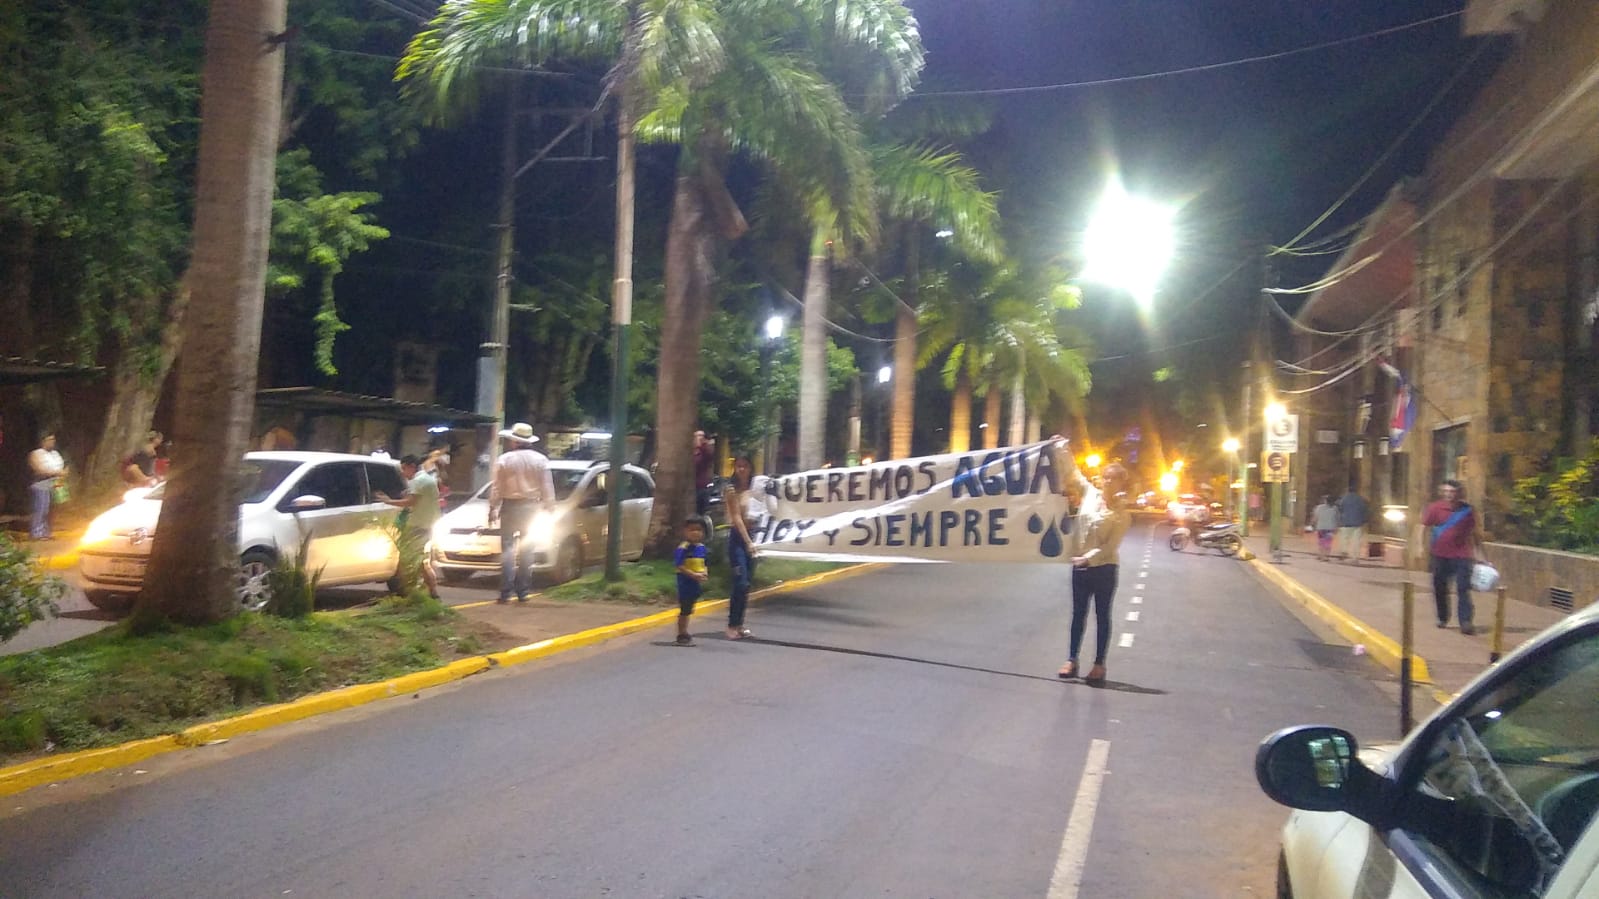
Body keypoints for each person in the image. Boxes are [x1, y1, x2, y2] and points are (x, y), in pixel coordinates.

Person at [1053, 442, 1132, 686]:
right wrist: (1062, 449)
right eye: (1104, 477)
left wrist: (1088, 558)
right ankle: (1071, 659)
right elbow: (1073, 474)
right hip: (1081, 567)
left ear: (1120, 483)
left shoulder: (1121, 514)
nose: (1106, 481)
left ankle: (1099, 664)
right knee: (1078, 614)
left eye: (1112, 479)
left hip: (1104, 569)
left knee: (1102, 615)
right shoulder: (1090, 494)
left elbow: (1110, 547)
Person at [488, 422, 555, 603]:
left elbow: (497, 488)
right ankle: (523, 591)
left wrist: (493, 507)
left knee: (508, 549)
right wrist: (550, 508)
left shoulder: (504, 460)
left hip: (509, 506)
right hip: (531, 507)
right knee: (527, 549)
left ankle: (505, 592)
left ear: (515, 441)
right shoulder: (541, 460)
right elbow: (547, 487)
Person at [375, 454, 442, 599]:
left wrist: (388, 501)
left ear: (411, 466)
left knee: (407, 563)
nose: (403, 474)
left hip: (415, 526)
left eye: (404, 469)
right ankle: (432, 592)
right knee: (423, 562)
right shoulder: (429, 480)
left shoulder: (418, 481)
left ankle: (409, 594)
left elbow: (411, 502)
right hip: (427, 525)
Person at [1422, 480, 1484, 635]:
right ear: (1442, 492)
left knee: (1463, 588)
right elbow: (1423, 527)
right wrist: (1419, 546)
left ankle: (1466, 621)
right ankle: (1443, 617)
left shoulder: (1468, 511)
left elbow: (1474, 534)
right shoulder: (1435, 508)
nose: (1449, 495)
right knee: (1440, 587)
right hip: (1440, 555)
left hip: (1462, 555)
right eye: (1446, 492)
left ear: (1458, 493)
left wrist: (1480, 554)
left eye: (1452, 492)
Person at [723, 455, 763, 640]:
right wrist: (748, 542)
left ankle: (740, 624)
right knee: (740, 582)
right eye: (738, 466)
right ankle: (732, 624)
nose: (741, 470)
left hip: (756, 537)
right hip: (739, 539)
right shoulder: (731, 490)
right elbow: (736, 517)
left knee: (747, 585)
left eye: (744, 466)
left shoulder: (757, 490)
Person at [674, 517, 710, 646]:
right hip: (685, 582)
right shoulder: (683, 548)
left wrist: (704, 572)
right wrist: (693, 575)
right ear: (685, 531)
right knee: (685, 609)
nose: (695, 533)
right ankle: (682, 633)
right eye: (692, 530)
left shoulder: (701, 547)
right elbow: (679, 566)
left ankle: (684, 631)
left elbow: (704, 563)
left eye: (698, 530)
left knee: (690, 608)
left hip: (696, 582)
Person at [28, 432, 66, 540]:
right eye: (49, 440)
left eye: (53, 440)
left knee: (51, 510)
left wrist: (61, 473)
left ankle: (46, 532)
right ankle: (36, 533)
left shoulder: (55, 454)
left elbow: (61, 466)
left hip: (55, 484)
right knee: (41, 509)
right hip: (41, 484)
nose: (52, 442)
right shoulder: (36, 454)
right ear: (43, 441)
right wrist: (55, 472)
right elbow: (39, 469)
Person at [1335, 484, 1369, 563]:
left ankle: (1344, 551)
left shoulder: (1344, 498)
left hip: (1345, 522)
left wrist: (1339, 520)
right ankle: (1355, 557)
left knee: (1344, 538)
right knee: (1356, 541)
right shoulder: (1360, 499)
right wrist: (1364, 520)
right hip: (1357, 523)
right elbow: (1365, 510)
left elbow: (1339, 508)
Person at [692, 429, 716, 516]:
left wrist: (702, 444)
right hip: (689, 489)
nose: (699, 438)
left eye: (702, 436)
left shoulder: (704, 452)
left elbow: (710, 455)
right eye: (697, 436)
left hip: (701, 488)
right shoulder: (689, 453)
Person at [1311, 494, 1338, 561]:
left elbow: (1315, 517)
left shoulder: (1319, 507)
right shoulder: (1335, 508)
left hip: (1321, 528)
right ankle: (1326, 556)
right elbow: (1336, 518)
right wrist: (1336, 527)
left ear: (1325, 501)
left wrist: (1312, 524)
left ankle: (1321, 555)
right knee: (1328, 542)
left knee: (1321, 542)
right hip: (1330, 528)